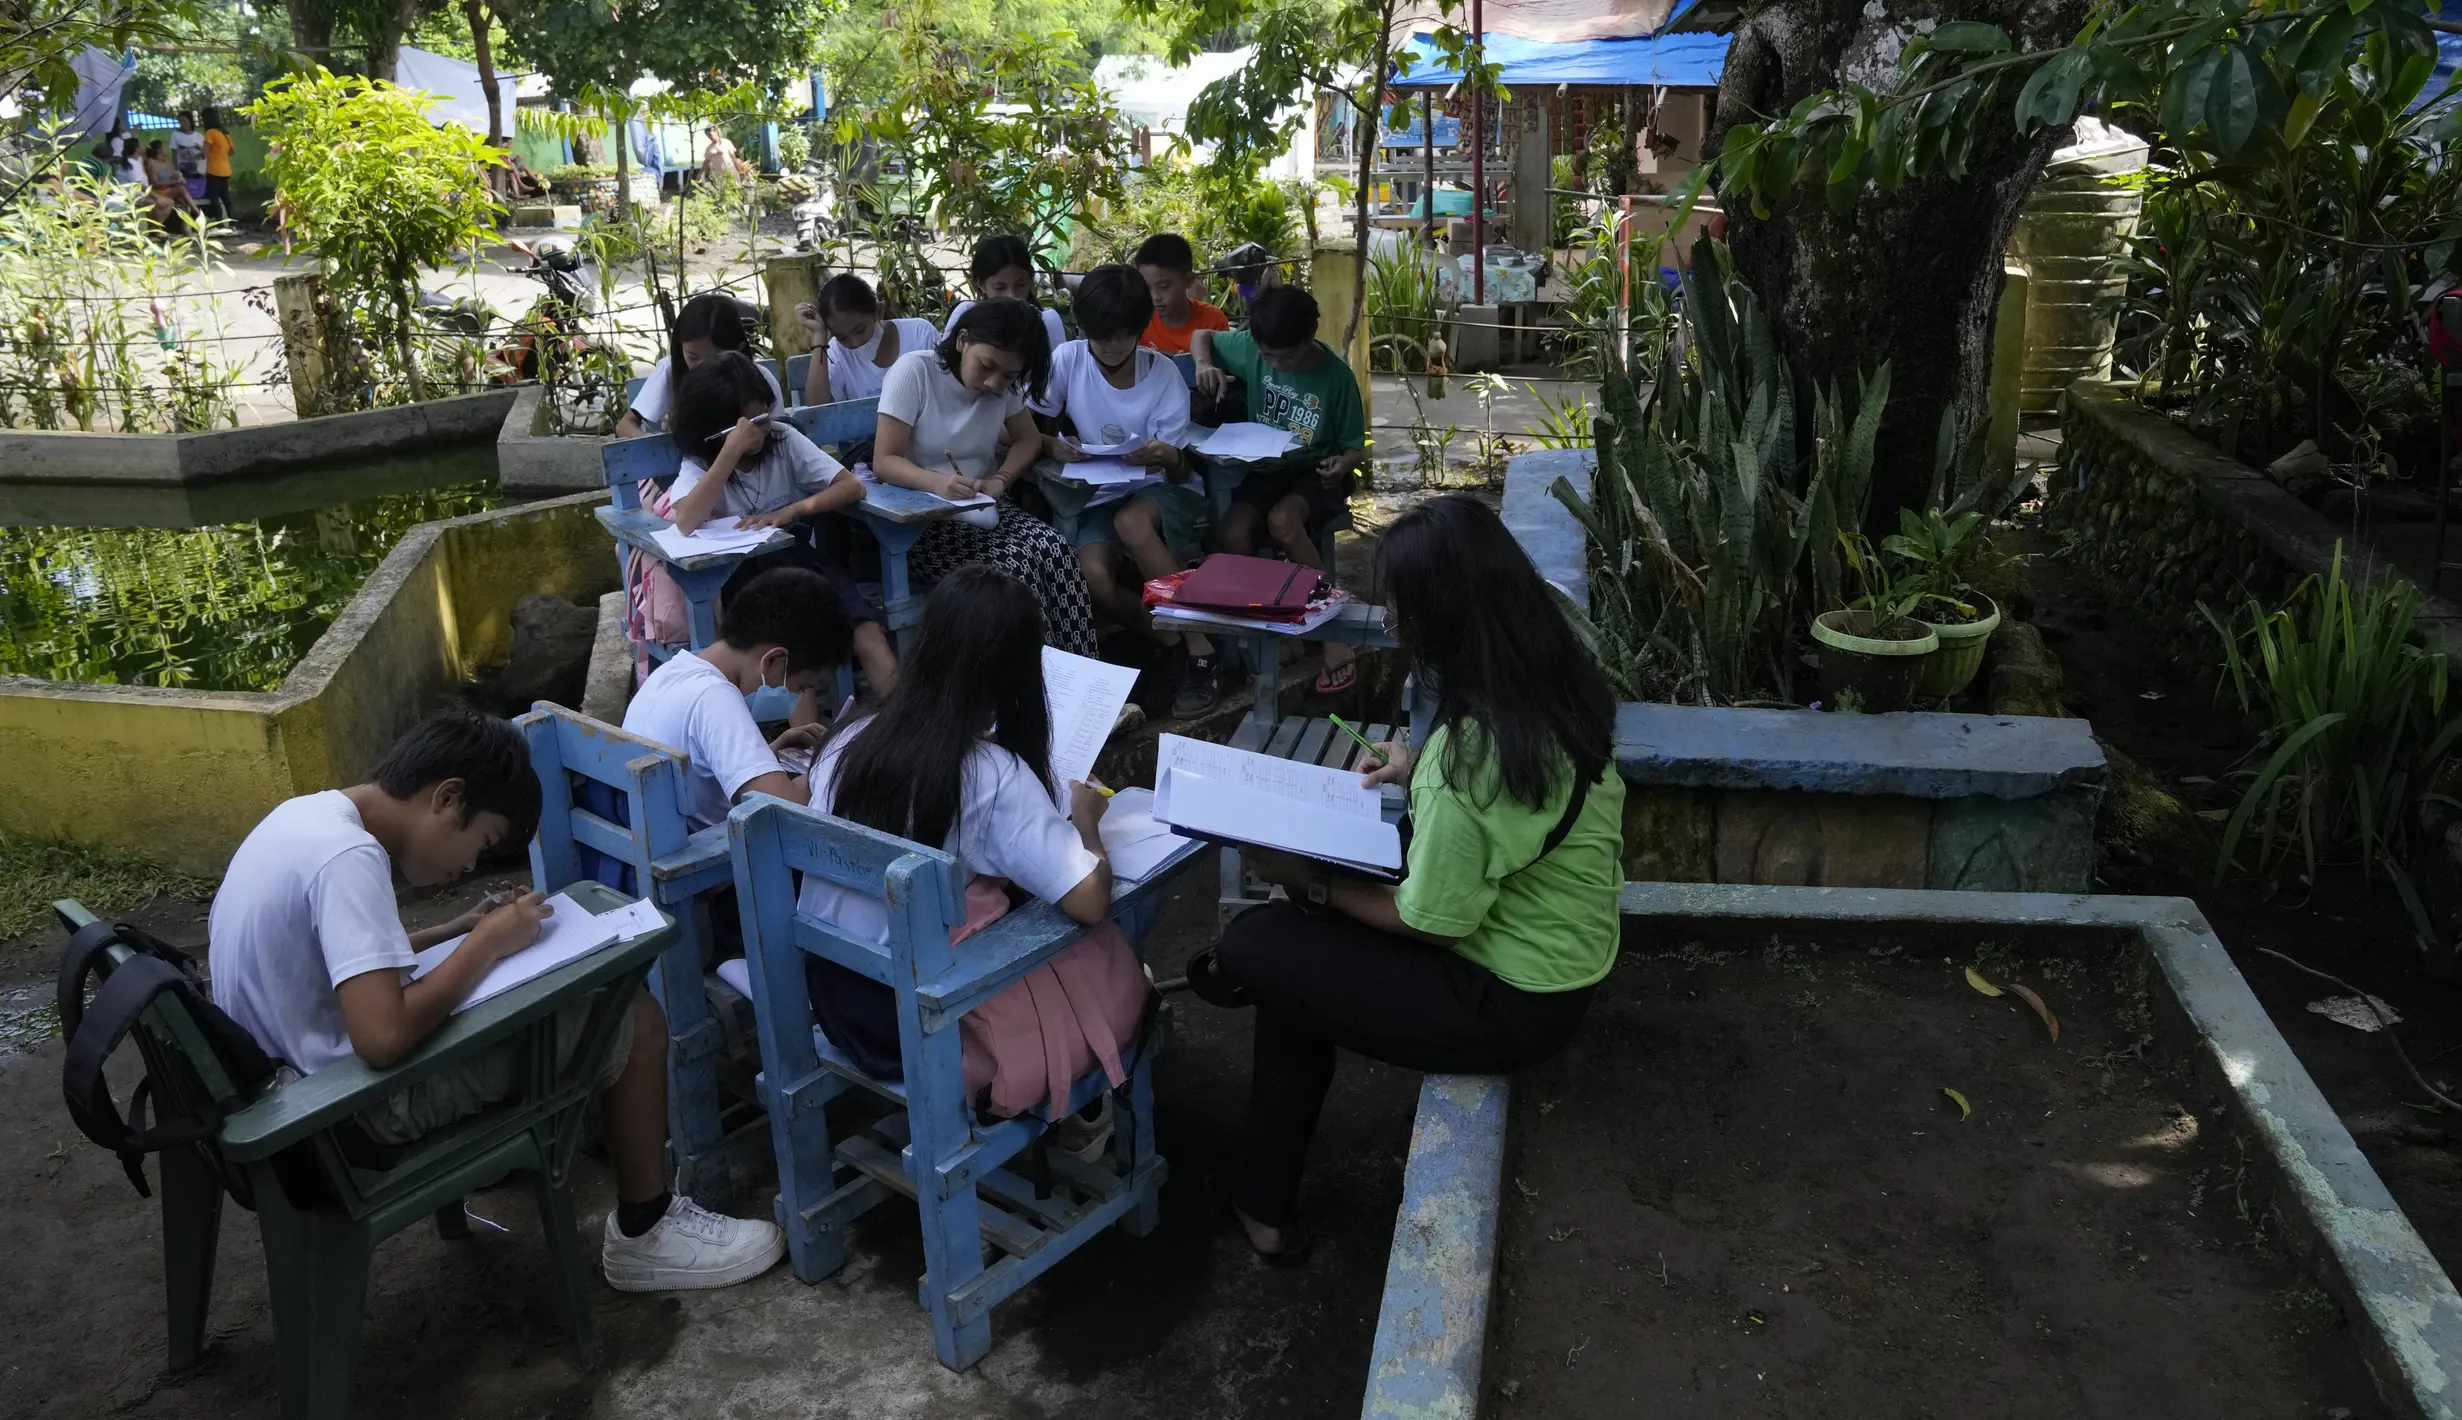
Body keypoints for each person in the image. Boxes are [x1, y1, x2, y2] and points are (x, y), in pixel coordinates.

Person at [207, 705, 788, 1290]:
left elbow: (341, 960)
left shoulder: (306, 818)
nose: (467, 867)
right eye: (480, 844)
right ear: (448, 798)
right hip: (344, 1116)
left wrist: (457, 931)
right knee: (632, 1018)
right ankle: (648, 1230)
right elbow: (382, 1038)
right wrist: (485, 944)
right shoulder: (349, 859)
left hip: (284, 1094)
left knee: (549, 996)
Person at [1185, 495, 1626, 1262]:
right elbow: (1505, 806)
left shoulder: (1469, 757)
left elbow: (1431, 923)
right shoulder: (1554, 680)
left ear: (1442, 619)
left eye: (1400, 614)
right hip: (1559, 960)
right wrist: (1413, 765)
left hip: (1507, 1002)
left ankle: (1258, 1167)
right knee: (1294, 972)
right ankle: (1263, 1202)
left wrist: (1309, 881)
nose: (1393, 629)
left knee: (1262, 941)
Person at [793, 565, 1140, 1140]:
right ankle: (1085, 1099)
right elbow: (1089, 902)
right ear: (1018, 672)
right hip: (921, 1022)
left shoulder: (847, 740)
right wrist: (1086, 823)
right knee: (1121, 920)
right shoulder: (988, 775)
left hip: (837, 997)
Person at [1031, 264, 1222, 717]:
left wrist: (1164, 454)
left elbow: (1179, 467)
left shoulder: (1162, 375)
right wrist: (1052, 444)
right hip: (1099, 491)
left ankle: (1202, 651)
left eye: (1121, 336)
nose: (1110, 347)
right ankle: (1169, 642)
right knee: (1092, 575)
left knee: (1131, 522)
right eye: (1099, 337)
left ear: (1139, 330)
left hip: (1162, 490)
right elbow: (1022, 426)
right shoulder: (1069, 360)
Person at [872, 297, 1099, 657]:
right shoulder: (915, 371)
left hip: (983, 505)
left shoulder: (1005, 386)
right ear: (963, 341)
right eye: (986, 366)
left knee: (1056, 550)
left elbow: (1027, 439)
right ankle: (1035, 682)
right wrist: (938, 483)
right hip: (921, 520)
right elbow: (884, 461)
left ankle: (1083, 674)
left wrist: (1001, 480)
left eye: (1009, 376)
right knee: (1013, 570)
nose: (994, 383)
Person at [663, 352, 899, 694]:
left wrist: (795, 510)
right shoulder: (699, 464)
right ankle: (804, 729)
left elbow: (852, 486)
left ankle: (904, 717)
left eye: (762, 418)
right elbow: (686, 520)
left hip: (795, 559)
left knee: (865, 626)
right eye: (746, 425)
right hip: (737, 574)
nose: (758, 431)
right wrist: (731, 452)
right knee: (788, 647)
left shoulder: (783, 440)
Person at [1191, 285, 1370, 693]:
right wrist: (1203, 364)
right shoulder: (1254, 348)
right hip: (1267, 467)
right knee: (1232, 532)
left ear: (1309, 338)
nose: (1276, 364)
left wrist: (1342, 464)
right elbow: (1203, 335)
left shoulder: (1336, 377)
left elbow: (1353, 447)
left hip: (1317, 471)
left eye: (1286, 357)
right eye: (1268, 355)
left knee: (1283, 521)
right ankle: (1276, 624)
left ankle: (1331, 632)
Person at [622, 566, 851, 830]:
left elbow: (701, 769)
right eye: (801, 687)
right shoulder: (715, 698)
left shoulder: (670, 672)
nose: (797, 697)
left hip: (651, 831)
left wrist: (769, 753)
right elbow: (786, 811)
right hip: (702, 848)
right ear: (774, 660)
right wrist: (833, 763)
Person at [615, 291, 779, 438]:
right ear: (680, 347)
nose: (702, 368)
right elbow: (625, 425)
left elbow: (779, 432)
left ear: (738, 350)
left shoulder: (760, 379)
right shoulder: (670, 371)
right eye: (692, 357)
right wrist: (656, 448)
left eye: (713, 360)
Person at [792, 272, 940, 407]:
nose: (855, 343)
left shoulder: (920, 335)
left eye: (860, 330)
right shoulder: (837, 353)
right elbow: (817, 410)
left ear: (879, 312)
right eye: (842, 337)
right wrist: (819, 335)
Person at [945, 233, 1068, 354]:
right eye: (999, 287)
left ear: (1031, 280)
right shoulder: (965, 314)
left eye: (1020, 285)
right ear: (980, 285)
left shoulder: (1047, 322)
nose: (1012, 296)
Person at [1133, 233, 1231, 357]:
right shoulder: (1140, 321)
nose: (1155, 297)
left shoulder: (1212, 321)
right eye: (1147, 288)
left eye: (1164, 287)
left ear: (1188, 280)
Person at [200, 109, 233, 223]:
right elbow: (232, 151)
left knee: (212, 195)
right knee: (225, 196)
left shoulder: (210, 133)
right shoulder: (225, 134)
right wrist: (221, 153)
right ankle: (232, 219)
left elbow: (204, 152)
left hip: (214, 169)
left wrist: (197, 153)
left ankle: (218, 218)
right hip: (226, 169)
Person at [169, 112, 206, 185]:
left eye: (184, 121)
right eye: (180, 121)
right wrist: (178, 172)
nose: (182, 123)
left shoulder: (199, 136)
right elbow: (174, 155)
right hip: (183, 169)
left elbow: (204, 155)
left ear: (190, 121)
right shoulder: (175, 135)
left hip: (199, 169)